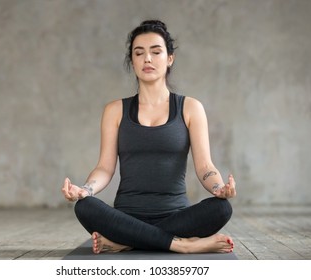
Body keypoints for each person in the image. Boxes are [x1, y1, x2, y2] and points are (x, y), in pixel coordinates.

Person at [61, 19, 236, 254]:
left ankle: (128, 241)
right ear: (132, 61)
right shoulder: (114, 110)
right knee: (84, 207)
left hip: (176, 217)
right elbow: (104, 168)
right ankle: (181, 244)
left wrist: (218, 187)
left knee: (222, 209)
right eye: (139, 53)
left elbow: (205, 165)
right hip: (126, 215)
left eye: (156, 52)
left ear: (170, 58)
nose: (148, 59)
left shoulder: (190, 108)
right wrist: (86, 190)